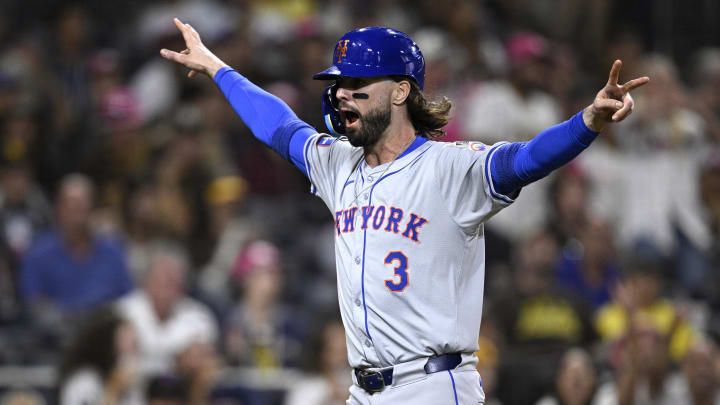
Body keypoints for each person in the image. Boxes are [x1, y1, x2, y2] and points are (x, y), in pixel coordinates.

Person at [160, 19, 648, 404]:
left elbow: (525, 159)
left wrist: (587, 122)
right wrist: (216, 68)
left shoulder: (449, 169)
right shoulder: (337, 163)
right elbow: (278, 126)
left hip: (433, 386)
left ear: (399, 91)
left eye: (357, 84)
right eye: (339, 84)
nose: (341, 94)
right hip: (362, 389)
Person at [58, 307, 142, 405]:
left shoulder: (131, 384)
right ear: (109, 347)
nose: (133, 354)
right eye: (130, 346)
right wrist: (113, 390)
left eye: (135, 345)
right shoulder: (84, 383)